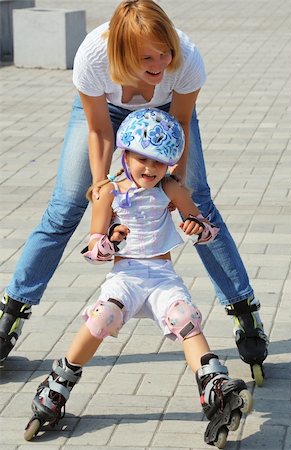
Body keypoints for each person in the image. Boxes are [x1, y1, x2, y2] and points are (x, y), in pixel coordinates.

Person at [0, 0, 267, 383]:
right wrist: (100, 183)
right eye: (148, 58)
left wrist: (175, 186)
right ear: (123, 53)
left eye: (165, 53)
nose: (160, 64)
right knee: (65, 207)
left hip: (167, 122)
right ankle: (12, 312)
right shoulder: (93, 56)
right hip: (106, 115)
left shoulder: (187, 58)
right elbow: (98, 130)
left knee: (198, 202)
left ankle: (245, 311)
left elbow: (181, 125)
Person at [24, 109, 252, 447]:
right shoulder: (107, 193)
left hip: (161, 276)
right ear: (124, 153)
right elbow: (93, 250)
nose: (150, 168)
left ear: (170, 164)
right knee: (103, 316)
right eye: (142, 158)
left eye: (159, 162)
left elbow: (206, 230)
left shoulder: (172, 188)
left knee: (184, 318)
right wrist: (110, 239)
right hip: (126, 276)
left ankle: (213, 384)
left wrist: (195, 226)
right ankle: (59, 382)